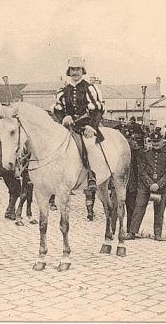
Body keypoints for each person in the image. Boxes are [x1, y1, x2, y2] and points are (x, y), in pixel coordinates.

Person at [53, 56, 104, 219]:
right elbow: (58, 108)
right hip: (68, 127)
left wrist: (92, 126)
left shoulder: (90, 88)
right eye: (72, 70)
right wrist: (63, 117)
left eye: (78, 69)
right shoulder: (63, 90)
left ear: (83, 71)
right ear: (69, 72)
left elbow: (97, 109)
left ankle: (91, 176)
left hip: (86, 126)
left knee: (89, 146)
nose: (75, 72)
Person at [127, 130, 166, 241]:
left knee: (159, 209)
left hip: (161, 187)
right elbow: (141, 171)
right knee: (139, 207)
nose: (156, 144)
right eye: (154, 141)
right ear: (150, 141)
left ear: (163, 141)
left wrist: (158, 184)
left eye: (158, 141)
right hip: (145, 186)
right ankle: (132, 232)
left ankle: (157, 234)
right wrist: (150, 184)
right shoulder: (144, 154)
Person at [125, 131, 145, 232]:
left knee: (131, 208)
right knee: (115, 208)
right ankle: (112, 229)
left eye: (135, 141)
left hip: (133, 185)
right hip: (122, 184)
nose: (132, 142)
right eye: (130, 139)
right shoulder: (121, 152)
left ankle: (130, 229)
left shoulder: (140, 153)